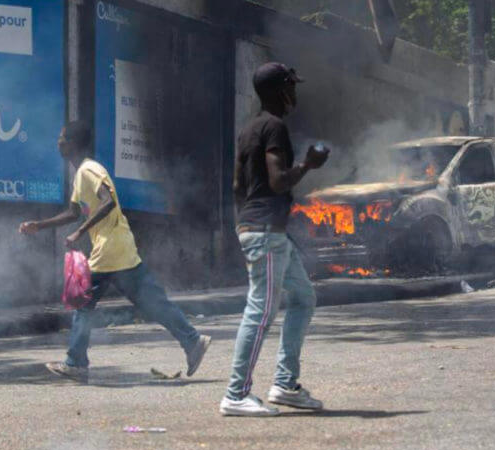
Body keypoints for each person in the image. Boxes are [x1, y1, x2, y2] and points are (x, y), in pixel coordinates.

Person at [19, 120, 210, 382]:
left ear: (73, 143)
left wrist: (80, 232)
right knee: (150, 301)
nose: (58, 142)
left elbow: (108, 202)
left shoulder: (90, 170)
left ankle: (76, 362)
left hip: (109, 248)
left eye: (62, 138)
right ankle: (193, 341)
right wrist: (38, 225)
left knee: (83, 303)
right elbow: (73, 212)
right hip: (120, 246)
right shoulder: (80, 175)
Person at [220, 62, 329, 417]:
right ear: (282, 91)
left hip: (263, 230)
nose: (295, 94)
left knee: (303, 297)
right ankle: (236, 393)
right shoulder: (275, 127)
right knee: (261, 310)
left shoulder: (249, 128)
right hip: (266, 233)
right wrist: (309, 164)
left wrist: (245, 224)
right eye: (292, 87)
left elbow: (238, 187)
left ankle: (284, 384)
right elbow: (279, 180)